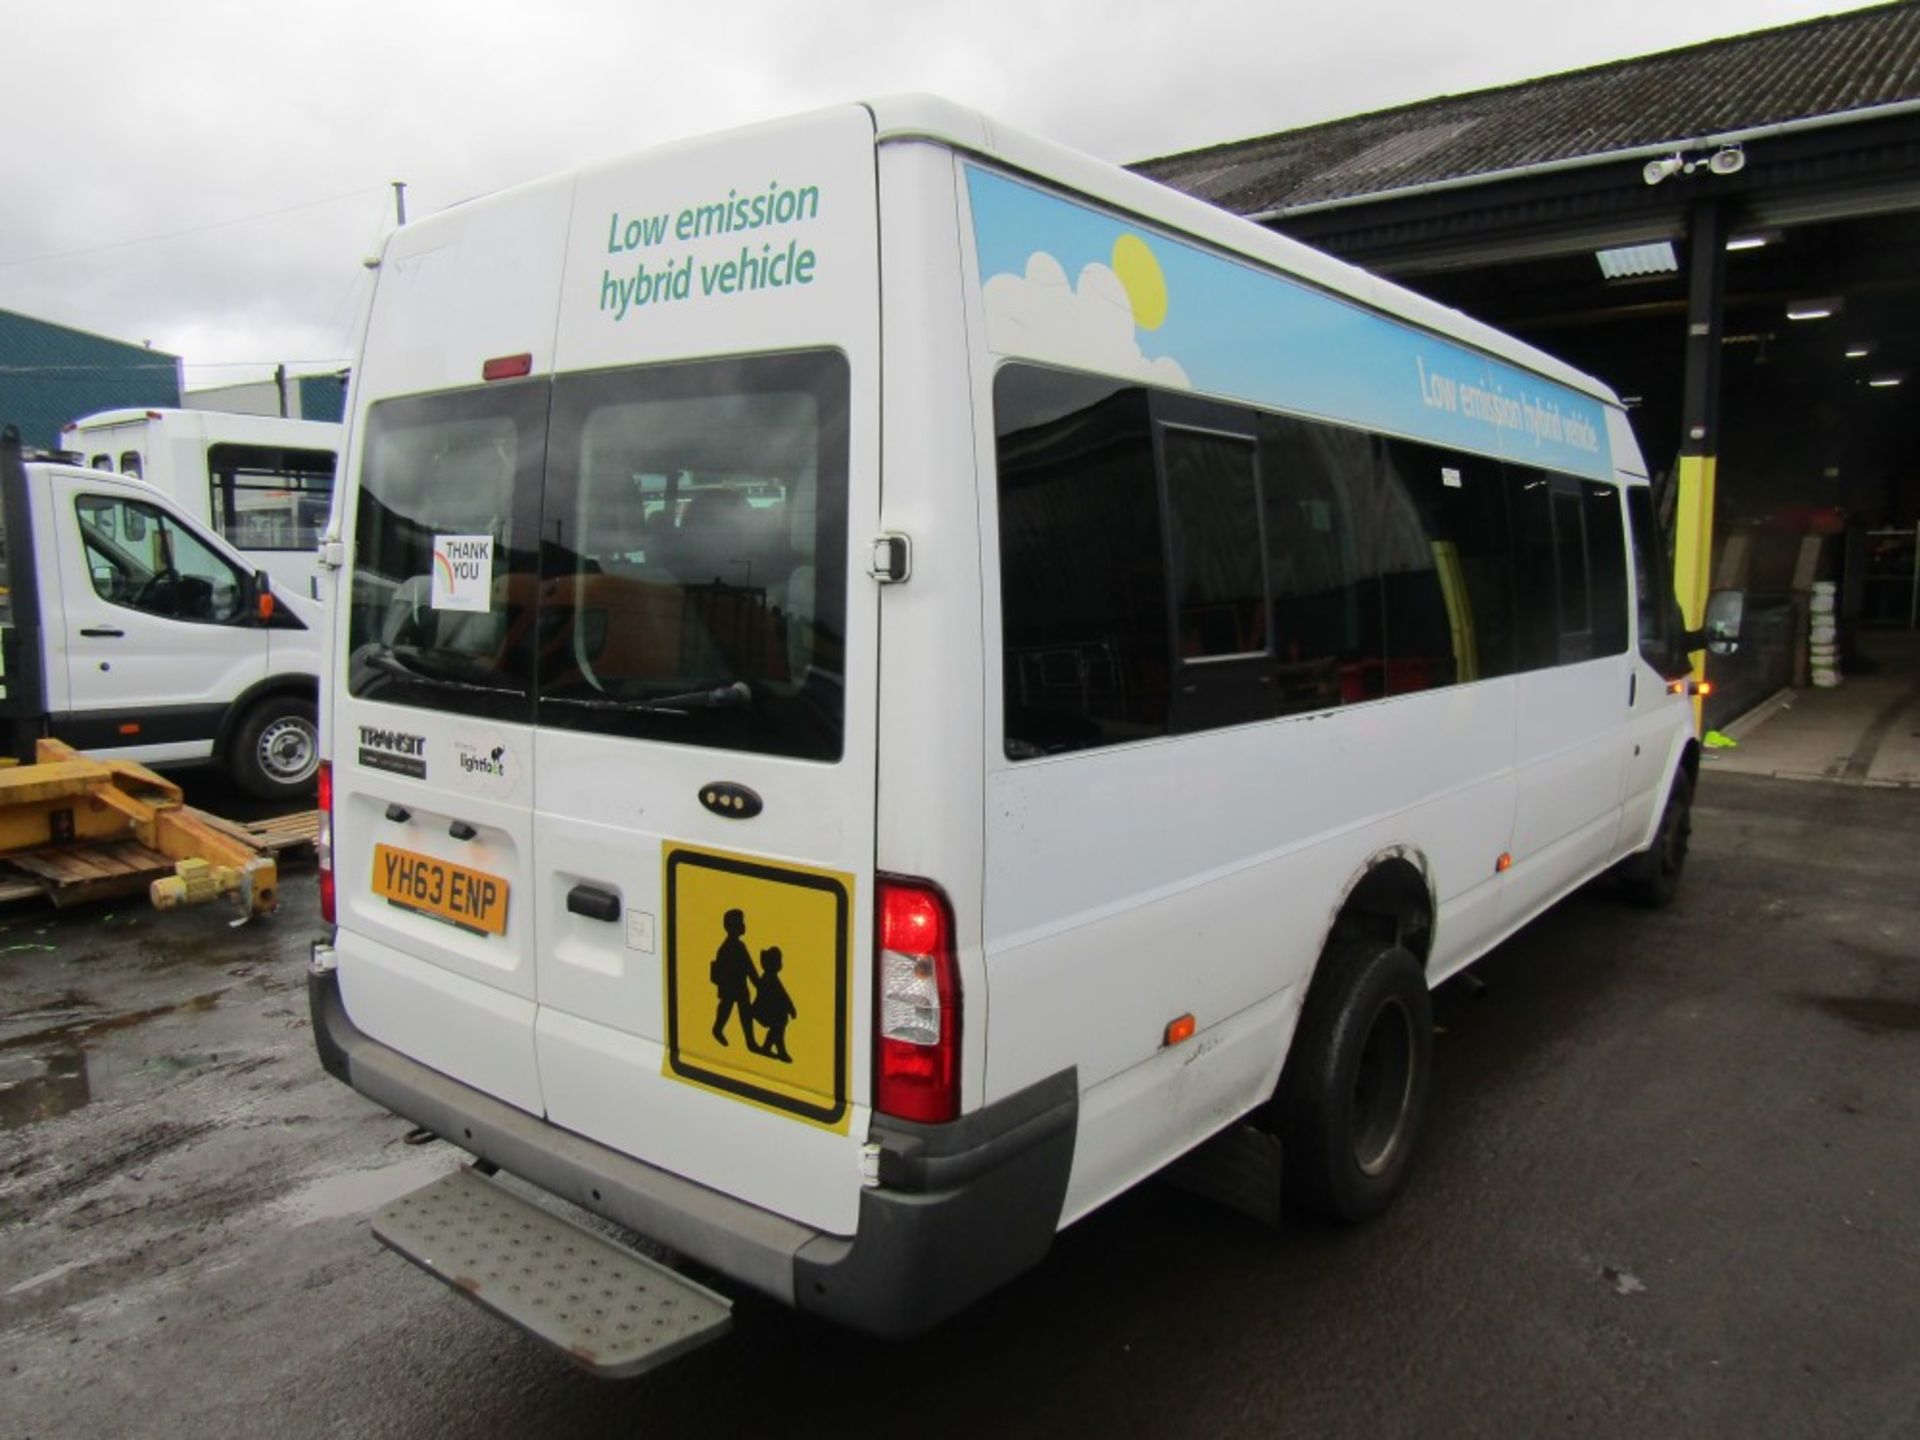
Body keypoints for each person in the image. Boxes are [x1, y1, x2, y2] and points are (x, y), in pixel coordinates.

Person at [709, 909, 758, 1049]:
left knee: (745, 1013)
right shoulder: (726, 948)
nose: (743, 925)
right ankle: (718, 1029)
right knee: (726, 1009)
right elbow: (748, 967)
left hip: (741, 986)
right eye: (740, 922)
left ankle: (750, 1041)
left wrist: (757, 983)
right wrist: (756, 982)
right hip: (731, 986)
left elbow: (749, 966)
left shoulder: (739, 946)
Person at [751, 946, 797, 1062]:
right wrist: (790, 1008)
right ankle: (778, 1050)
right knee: (779, 1023)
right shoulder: (768, 979)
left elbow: (782, 996)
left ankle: (769, 1047)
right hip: (761, 1011)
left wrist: (790, 1008)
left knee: (779, 1023)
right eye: (777, 961)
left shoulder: (772, 978)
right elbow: (781, 995)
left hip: (767, 1011)